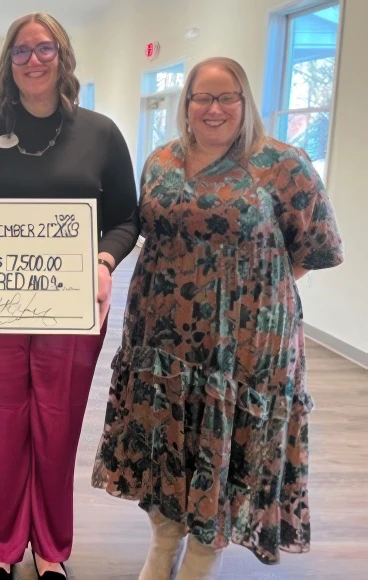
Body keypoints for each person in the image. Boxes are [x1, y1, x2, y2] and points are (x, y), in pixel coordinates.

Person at [92, 57, 345, 580]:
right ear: (185, 104)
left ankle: (202, 561)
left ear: (244, 101)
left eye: (226, 97)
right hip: (161, 341)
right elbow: (149, 231)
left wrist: (245, 293)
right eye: (201, 97)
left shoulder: (282, 165)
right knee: (168, 446)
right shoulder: (160, 160)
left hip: (243, 350)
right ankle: (162, 548)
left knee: (225, 452)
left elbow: (311, 250)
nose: (213, 108)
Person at [0, 13, 139, 580]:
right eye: (21, 51)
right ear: (9, 63)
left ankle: (51, 547)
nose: (33, 59)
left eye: (44, 48)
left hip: (72, 308)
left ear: (63, 56)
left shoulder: (101, 134)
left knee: (58, 425)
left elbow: (126, 217)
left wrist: (104, 260)